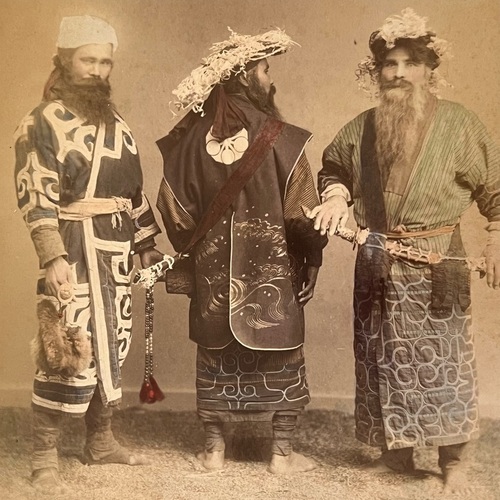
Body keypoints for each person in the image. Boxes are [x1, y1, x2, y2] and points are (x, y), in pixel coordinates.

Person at [307, 8, 500, 494]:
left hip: (435, 263)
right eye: (389, 65)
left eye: (410, 63)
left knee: (446, 361)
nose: (398, 73)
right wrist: (335, 195)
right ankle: (396, 453)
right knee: (380, 356)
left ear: (430, 69)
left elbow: (495, 190)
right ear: (376, 73)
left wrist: (497, 236)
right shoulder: (362, 128)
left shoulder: (460, 125)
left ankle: (452, 460)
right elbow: (334, 168)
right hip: (375, 259)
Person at [156, 28, 327, 474]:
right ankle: (282, 456)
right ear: (248, 76)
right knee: (283, 352)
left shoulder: (189, 141)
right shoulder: (284, 138)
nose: (272, 80)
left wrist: (196, 257)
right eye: (266, 69)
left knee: (213, 356)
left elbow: (173, 210)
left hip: (213, 281)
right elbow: (303, 212)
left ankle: (213, 451)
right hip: (273, 275)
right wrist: (311, 257)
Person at [14, 15, 163, 493]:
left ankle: (100, 440)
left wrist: (146, 245)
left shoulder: (117, 123)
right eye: (87, 60)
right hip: (74, 246)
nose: (97, 70)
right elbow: (35, 193)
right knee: (65, 347)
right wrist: (52, 255)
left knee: (111, 344)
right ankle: (44, 453)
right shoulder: (41, 121)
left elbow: (133, 192)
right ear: (64, 60)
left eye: (105, 61)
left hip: (115, 252)